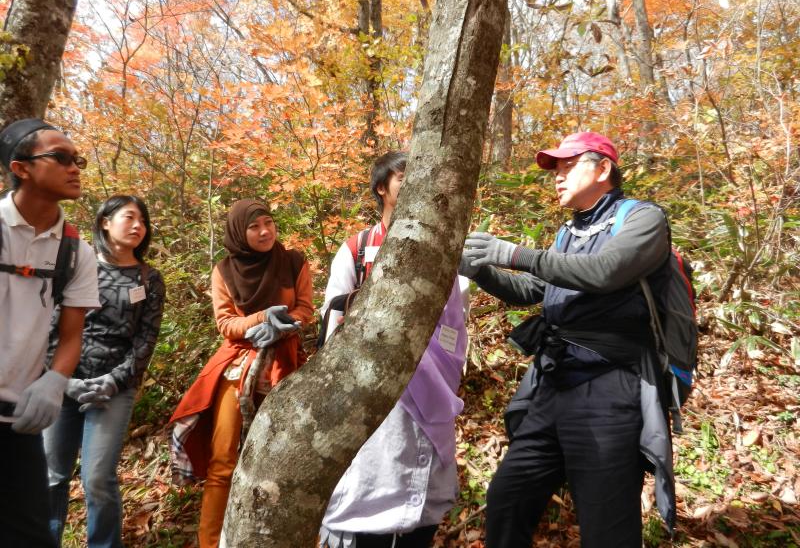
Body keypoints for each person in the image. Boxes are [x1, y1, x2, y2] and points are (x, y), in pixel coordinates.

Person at [460, 131, 673, 548]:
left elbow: (605, 272)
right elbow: (532, 291)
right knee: (508, 498)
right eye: (555, 169)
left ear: (604, 168)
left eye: (567, 166)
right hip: (552, 384)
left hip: (609, 387)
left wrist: (513, 253)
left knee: (606, 524)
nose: (557, 177)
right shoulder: (570, 233)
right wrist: (480, 268)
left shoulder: (643, 219)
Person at [318, 151, 471, 548]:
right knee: (370, 483)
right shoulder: (358, 248)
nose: (412, 185)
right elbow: (332, 319)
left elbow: (456, 321)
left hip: (429, 387)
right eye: (403, 178)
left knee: (419, 490)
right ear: (382, 188)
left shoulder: (443, 250)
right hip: (370, 392)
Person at [169, 199, 314, 548]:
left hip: (283, 362)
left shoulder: (293, 262)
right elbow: (225, 323)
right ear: (239, 232)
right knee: (223, 459)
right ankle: (210, 541)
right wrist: (260, 319)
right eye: (254, 226)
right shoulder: (224, 270)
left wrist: (284, 326)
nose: (265, 231)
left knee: (282, 459)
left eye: (269, 223)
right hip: (237, 364)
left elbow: (305, 309)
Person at [43, 195, 166, 547]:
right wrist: (63, 381)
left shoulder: (148, 278)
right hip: (63, 383)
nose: (138, 225)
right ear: (105, 222)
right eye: (129, 217)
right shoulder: (75, 268)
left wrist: (113, 381)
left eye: (143, 220)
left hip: (115, 387)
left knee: (97, 477)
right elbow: (50, 328)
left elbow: (145, 342)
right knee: (52, 475)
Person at [0, 119, 100, 547]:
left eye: (77, 159)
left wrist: (55, 381)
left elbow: (73, 332)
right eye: (61, 158)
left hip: (18, 420)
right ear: (21, 168)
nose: (75, 167)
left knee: (28, 536)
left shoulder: (75, 251)